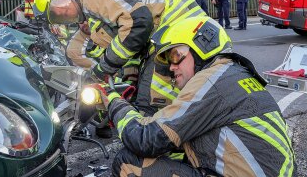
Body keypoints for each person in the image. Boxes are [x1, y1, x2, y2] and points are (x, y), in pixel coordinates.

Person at [92, 16, 296, 177]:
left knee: (128, 162)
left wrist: (113, 101)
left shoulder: (211, 80)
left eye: (175, 56)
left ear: (203, 45)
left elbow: (145, 139)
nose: (172, 68)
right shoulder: (235, 76)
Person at [34, 0, 207, 116]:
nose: (64, 15)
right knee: (162, 102)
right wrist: (130, 77)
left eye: (61, 8)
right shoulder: (94, 17)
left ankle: (165, 155)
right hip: (177, 30)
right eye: (57, 16)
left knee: (152, 106)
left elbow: (139, 22)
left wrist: (104, 68)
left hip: (178, 25)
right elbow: (131, 42)